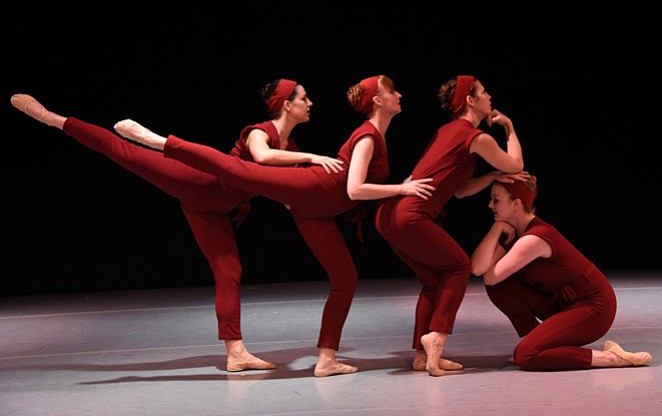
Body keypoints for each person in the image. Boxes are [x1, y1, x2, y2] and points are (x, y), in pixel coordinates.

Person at [113, 75, 441, 377]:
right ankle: (157, 140)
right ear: (378, 100)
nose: (399, 95)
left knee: (346, 280)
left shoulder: (357, 137)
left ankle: (326, 359)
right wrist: (400, 188)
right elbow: (342, 184)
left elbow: (311, 183)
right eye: (391, 91)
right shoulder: (363, 135)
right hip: (316, 191)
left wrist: (292, 192)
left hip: (318, 210)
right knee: (236, 169)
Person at [10, 79, 344, 373]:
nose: (310, 103)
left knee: (229, 272)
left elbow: (286, 191)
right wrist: (314, 159)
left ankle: (236, 353)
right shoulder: (262, 132)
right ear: (286, 105)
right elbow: (261, 158)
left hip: (217, 211)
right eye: (304, 98)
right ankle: (53, 118)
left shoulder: (294, 150)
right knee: (124, 152)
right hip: (201, 183)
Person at [374, 74, 526, 376]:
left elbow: (459, 190)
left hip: (390, 215)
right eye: (483, 92)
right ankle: (437, 337)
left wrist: (491, 178)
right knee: (457, 267)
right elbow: (516, 165)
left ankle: (422, 355)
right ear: (470, 100)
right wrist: (509, 127)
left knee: (433, 280)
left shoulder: (448, 130)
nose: (489, 96)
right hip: (411, 216)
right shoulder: (477, 137)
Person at [470, 175, 652, 370]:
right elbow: (478, 268)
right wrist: (496, 229)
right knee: (500, 287)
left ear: (516, 204)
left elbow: (490, 276)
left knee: (526, 355)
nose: (490, 205)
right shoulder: (514, 232)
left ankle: (611, 358)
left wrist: (497, 228)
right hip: (564, 302)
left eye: (496, 200)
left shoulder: (535, 238)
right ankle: (533, 340)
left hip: (594, 308)